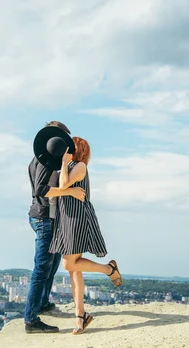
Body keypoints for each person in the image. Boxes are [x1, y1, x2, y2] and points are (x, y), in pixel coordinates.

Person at [48, 136, 122, 335]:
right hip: (67, 219)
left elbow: (63, 185)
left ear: (77, 149)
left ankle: (109, 269)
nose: (67, 150)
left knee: (69, 264)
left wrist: (64, 164)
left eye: (69, 147)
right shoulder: (71, 165)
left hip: (77, 219)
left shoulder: (79, 166)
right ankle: (80, 316)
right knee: (74, 269)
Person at [25, 121, 86, 334]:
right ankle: (31, 320)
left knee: (51, 265)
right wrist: (69, 192)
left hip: (46, 217)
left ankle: (42, 303)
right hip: (44, 218)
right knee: (42, 269)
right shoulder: (43, 162)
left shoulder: (39, 160)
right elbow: (42, 190)